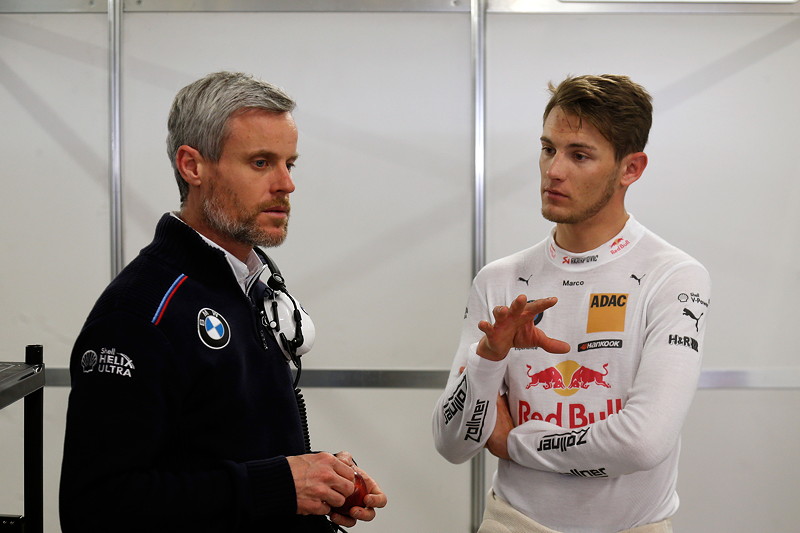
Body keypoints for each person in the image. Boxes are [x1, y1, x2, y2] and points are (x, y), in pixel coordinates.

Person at [60, 71, 386, 533]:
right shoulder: (138, 314)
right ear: (193, 166)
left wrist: (320, 482)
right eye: (260, 162)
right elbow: (96, 506)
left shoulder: (246, 285)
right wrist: (281, 485)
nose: (285, 185)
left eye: (289, 164)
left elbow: (227, 449)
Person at [432, 74, 710, 533]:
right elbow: (452, 444)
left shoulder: (674, 275)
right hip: (513, 522)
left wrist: (515, 443)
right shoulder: (500, 280)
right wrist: (488, 360)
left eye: (579, 155)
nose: (553, 170)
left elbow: (642, 443)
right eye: (548, 149)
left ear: (631, 168)